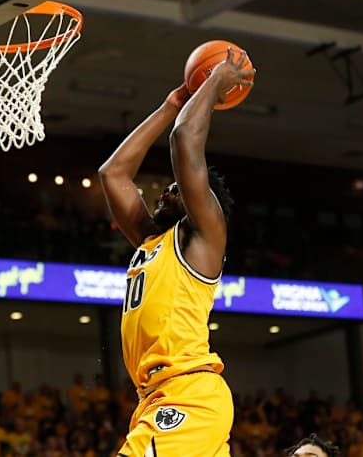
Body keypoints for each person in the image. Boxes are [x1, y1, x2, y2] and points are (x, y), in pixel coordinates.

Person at [98, 47, 253, 456]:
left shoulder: (204, 234)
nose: (168, 190)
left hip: (188, 395)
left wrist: (216, 81)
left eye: (178, 190)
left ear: (201, 200)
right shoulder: (152, 242)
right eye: (166, 187)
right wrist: (170, 105)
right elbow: (112, 173)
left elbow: (185, 140)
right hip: (156, 398)